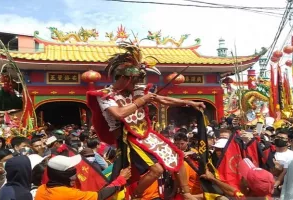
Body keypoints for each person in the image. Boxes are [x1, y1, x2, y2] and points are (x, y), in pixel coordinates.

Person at [87, 42, 205, 199]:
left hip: (145, 134)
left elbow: (164, 100)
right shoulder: (105, 95)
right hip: (127, 138)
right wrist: (142, 100)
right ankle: (136, 196)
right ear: (124, 78)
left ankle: (187, 193)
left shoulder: (137, 90)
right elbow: (119, 113)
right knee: (157, 170)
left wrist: (190, 103)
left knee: (177, 156)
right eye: (134, 79)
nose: (137, 83)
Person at [35, 155, 131, 200]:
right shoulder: (68, 194)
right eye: (72, 169)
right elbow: (99, 196)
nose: (76, 172)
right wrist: (120, 179)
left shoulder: (41, 189)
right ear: (63, 175)